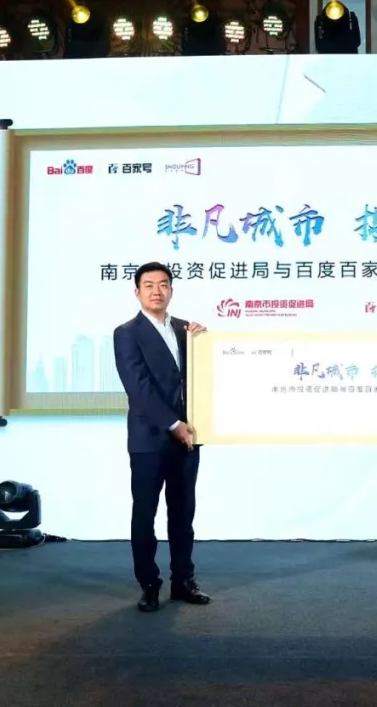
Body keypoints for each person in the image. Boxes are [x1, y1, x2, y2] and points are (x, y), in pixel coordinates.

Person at [114, 261, 211, 612]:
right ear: (137, 292)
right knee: (145, 515)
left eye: (163, 285)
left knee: (183, 514)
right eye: (149, 285)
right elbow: (138, 388)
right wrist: (174, 424)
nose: (157, 291)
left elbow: (203, 374)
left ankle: (183, 580)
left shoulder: (187, 330)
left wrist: (205, 341)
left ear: (171, 290)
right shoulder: (127, 333)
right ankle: (149, 584)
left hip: (188, 438)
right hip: (149, 439)